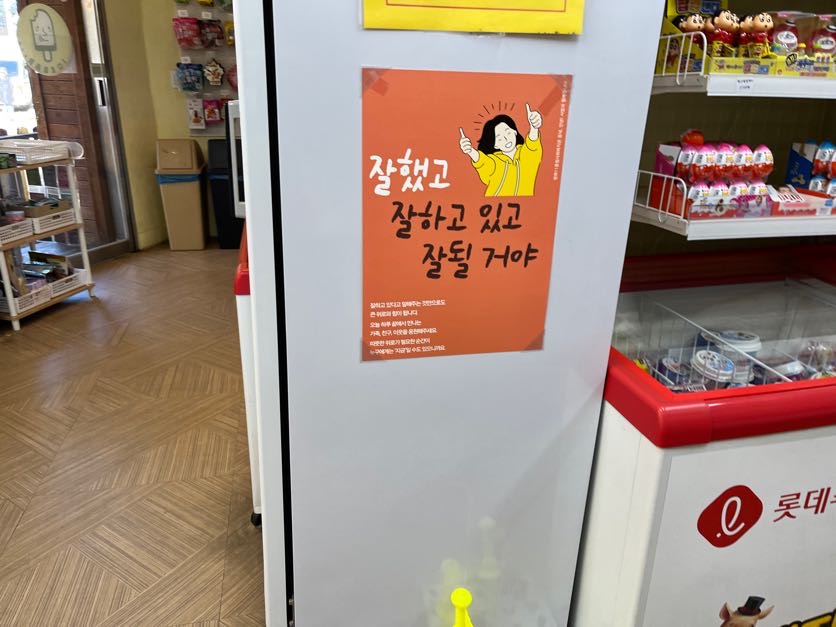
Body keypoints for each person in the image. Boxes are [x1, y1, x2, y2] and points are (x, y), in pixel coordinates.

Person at [459, 103, 543, 197]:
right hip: (493, 205)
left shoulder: (527, 157)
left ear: (515, 132)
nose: (506, 139)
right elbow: (483, 162)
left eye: (508, 132)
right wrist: (470, 151)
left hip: (524, 204)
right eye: (499, 138)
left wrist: (534, 128)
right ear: (495, 145)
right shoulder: (495, 162)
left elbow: (532, 146)